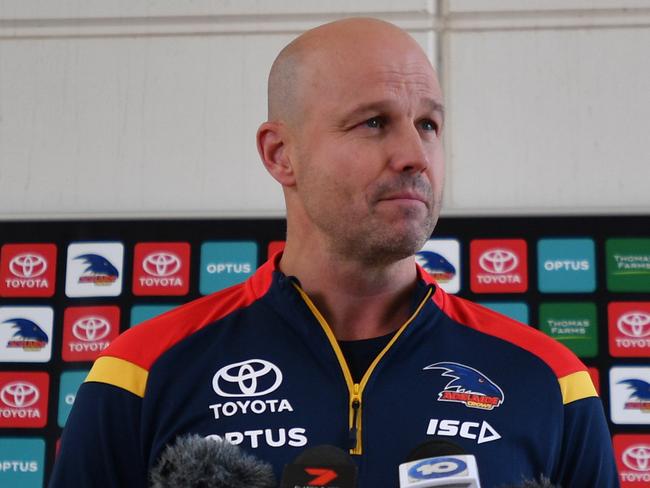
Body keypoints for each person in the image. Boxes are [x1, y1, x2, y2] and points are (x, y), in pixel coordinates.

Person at [50, 18, 619, 487]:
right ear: (280, 155)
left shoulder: (551, 380)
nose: (414, 154)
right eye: (373, 123)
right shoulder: (142, 371)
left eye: (428, 124)